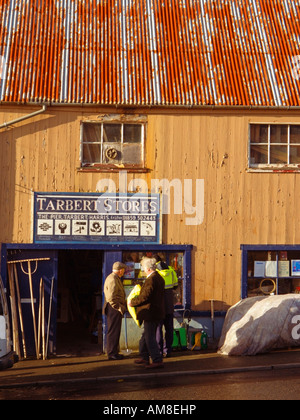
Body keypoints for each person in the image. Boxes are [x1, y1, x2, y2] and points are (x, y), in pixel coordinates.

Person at [128, 257, 165, 369]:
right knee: (145, 336)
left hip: (151, 312)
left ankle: (157, 360)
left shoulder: (151, 279)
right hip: (156, 311)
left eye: (143, 268)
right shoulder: (159, 277)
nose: (143, 270)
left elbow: (145, 297)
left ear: (148, 268)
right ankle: (144, 357)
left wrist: (132, 302)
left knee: (149, 338)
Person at [154, 255, 178, 358]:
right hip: (169, 306)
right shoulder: (171, 271)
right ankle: (168, 350)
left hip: (159, 306)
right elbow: (176, 286)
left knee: (158, 329)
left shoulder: (155, 273)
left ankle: (159, 351)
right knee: (169, 329)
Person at [103, 261, 127, 360]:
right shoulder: (113, 279)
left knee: (115, 330)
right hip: (114, 308)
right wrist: (118, 307)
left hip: (114, 307)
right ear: (120, 270)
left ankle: (114, 352)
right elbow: (111, 297)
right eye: (124, 270)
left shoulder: (113, 278)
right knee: (113, 331)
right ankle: (112, 353)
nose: (124, 272)